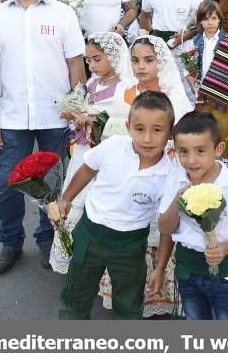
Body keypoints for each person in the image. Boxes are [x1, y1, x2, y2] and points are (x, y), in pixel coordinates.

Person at [0, 0, 86, 274]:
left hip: (57, 117)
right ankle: (10, 242)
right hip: (11, 119)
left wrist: (79, 112)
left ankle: (47, 237)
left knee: (54, 183)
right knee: (6, 184)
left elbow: (75, 65)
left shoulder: (62, 13)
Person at [58, 91, 177, 320]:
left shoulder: (170, 175)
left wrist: (160, 268)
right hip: (89, 234)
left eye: (157, 130)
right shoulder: (113, 146)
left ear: (170, 132)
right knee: (75, 296)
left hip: (130, 246)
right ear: (128, 126)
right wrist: (66, 198)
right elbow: (87, 169)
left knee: (129, 305)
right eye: (140, 129)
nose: (148, 138)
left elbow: (166, 227)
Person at [96, 35, 190, 317]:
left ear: (160, 62)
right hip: (129, 169)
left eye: (149, 60)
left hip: (164, 168)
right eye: (135, 60)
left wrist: (172, 146)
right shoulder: (125, 90)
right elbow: (115, 126)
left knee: (160, 222)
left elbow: (183, 130)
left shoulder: (172, 92)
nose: (141, 66)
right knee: (128, 221)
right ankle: (128, 290)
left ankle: (163, 286)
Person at [158, 111, 228, 320]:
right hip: (186, 268)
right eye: (183, 152)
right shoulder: (176, 179)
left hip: (223, 273)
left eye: (200, 151)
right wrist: (177, 201)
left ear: (218, 149)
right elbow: (165, 228)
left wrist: (225, 248)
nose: (191, 160)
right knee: (195, 319)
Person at [51, 32, 132, 275]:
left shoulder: (125, 87)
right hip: (84, 153)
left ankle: (102, 265)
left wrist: (88, 119)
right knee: (76, 195)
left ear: (114, 56)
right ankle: (76, 255)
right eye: (89, 60)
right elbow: (83, 107)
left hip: (107, 155)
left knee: (100, 202)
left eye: (97, 59)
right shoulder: (91, 84)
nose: (92, 65)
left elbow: (122, 122)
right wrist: (73, 115)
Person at [140, 0, 203, 102]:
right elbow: (145, 16)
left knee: (189, 92)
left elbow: (202, 21)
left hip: (186, 49)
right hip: (159, 48)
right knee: (162, 91)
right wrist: (143, 40)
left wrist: (185, 35)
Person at [191, 0, 228, 167]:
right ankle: (208, 156)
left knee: (224, 127)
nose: (210, 23)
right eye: (206, 19)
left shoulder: (227, 41)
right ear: (200, 21)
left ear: (219, 20)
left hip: (223, 91)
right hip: (202, 91)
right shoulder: (196, 41)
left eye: (214, 18)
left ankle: (227, 158)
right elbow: (189, 66)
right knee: (204, 127)